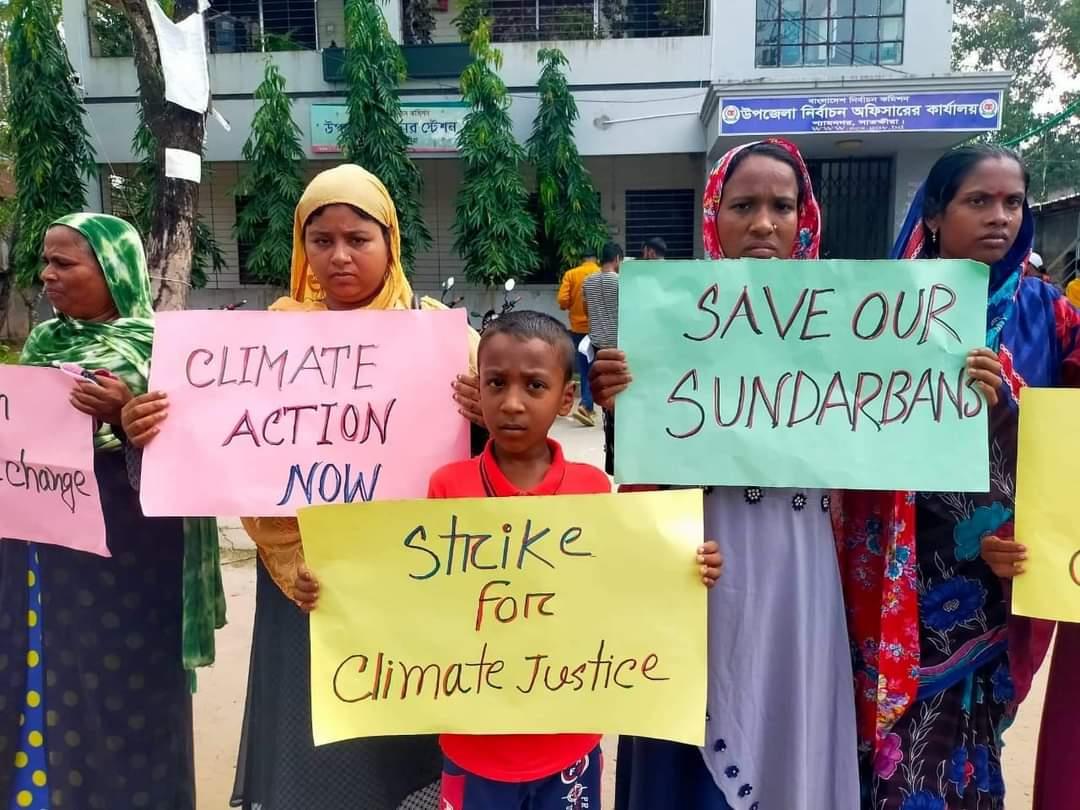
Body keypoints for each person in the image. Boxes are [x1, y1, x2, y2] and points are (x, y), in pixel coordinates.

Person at [121, 165, 485, 810]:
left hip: (418, 577)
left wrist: (485, 420)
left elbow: (512, 461)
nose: (339, 256)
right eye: (321, 239)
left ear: (390, 242)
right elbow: (209, 453)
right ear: (302, 246)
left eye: (358, 238)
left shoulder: (449, 342)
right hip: (305, 579)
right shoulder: (264, 344)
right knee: (314, 729)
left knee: (412, 733)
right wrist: (147, 430)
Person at [297, 309, 723, 810]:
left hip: (570, 747)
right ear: (477, 390)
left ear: (567, 398)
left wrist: (686, 568)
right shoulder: (447, 488)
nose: (513, 403)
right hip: (472, 744)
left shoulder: (592, 491)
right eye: (496, 383)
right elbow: (409, 594)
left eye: (535, 386)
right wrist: (331, 589)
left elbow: (626, 582)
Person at [594, 138, 862, 810]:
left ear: (807, 218)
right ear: (716, 214)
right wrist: (619, 396)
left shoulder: (850, 321)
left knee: (782, 706)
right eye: (744, 205)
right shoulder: (671, 318)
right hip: (699, 548)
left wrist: (949, 388)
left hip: (797, 561)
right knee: (693, 709)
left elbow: (878, 437)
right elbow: (644, 457)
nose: (764, 222)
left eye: (782, 205)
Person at [847, 144, 1080, 809]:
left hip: (995, 576)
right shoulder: (874, 311)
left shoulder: (1048, 314)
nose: (999, 218)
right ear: (936, 214)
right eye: (978, 201)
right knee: (886, 741)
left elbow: (1072, 443)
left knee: (969, 747)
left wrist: (1043, 533)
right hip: (895, 567)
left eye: (1012, 203)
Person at [0, 213, 225, 809]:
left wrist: (125, 420)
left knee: (133, 685)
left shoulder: (168, 352)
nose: (48, 275)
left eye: (64, 263)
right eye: (45, 262)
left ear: (113, 271)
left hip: (135, 547)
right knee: (52, 673)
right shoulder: (45, 343)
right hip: (45, 548)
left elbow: (199, 463)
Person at [583, 242, 622, 475]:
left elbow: (586, 310)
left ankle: (610, 448)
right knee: (619, 401)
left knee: (605, 401)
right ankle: (618, 449)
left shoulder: (588, 281)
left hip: (597, 346)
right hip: (618, 345)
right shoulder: (619, 282)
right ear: (617, 259)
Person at [556, 250, 601, 427]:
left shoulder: (572, 274)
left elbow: (562, 300)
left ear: (582, 260)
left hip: (578, 329)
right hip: (600, 328)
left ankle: (587, 404)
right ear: (596, 259)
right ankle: (588, 406)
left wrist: (570, 306)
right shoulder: (601, 273)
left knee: (585, 368)